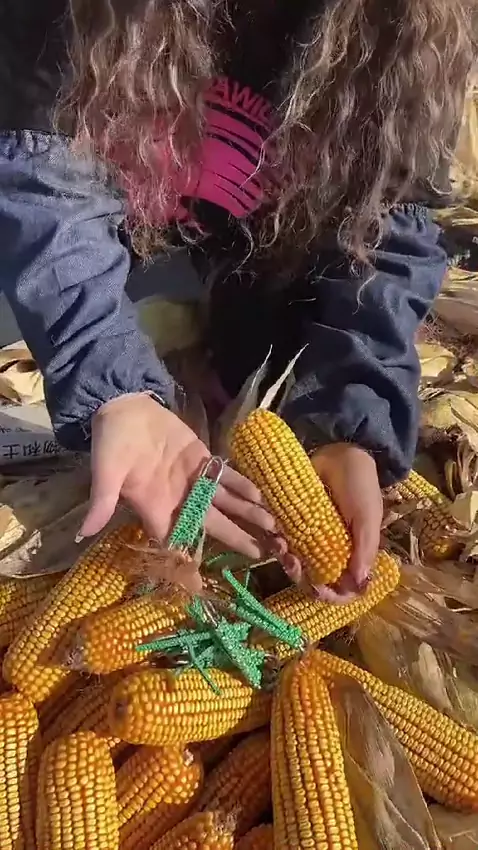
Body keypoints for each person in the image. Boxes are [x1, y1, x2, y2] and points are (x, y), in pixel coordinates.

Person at [0, 0, 473, 596]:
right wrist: (111, 385)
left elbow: (386, 226)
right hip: (109, 253)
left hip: (271, 268)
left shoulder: (415, 26)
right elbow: (43, 181)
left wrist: (350, 413)